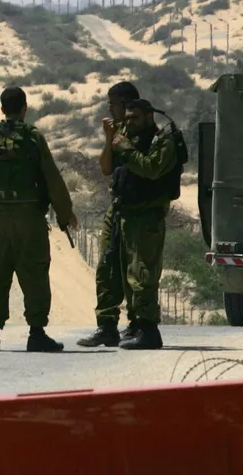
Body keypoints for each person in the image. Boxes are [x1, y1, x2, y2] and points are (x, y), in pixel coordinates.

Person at [0, 86, 78, 352]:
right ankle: (36, 333)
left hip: (0, 220)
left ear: (2, 109)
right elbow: (52, 179)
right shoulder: (33, 138)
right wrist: (65, 213)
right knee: (35, 275)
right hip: (31, 220)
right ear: (25, 108)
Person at [96, 98, 177, 350]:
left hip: (147, 216)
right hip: (125, 213)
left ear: (149, 117)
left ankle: (149, 330)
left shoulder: (162, 142)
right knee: (121, 271)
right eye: (128, 117)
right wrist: (112, 140)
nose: (129, 122)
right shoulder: (125, 138)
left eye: (135, 118)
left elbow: (151, 169)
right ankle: (131, 325)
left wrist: (126, 148)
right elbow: (107, 167)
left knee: (142, 273)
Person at [77, 81, 142, 348]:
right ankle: (106, 326)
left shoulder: (143, 132)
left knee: (136, 270)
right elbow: (106, 168)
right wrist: (108, 139)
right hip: (117, 207)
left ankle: (139, 324)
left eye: (112, 104)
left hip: (139, 211)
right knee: (107, 266)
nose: (110, 110)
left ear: (125, 105)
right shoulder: (117, 133)